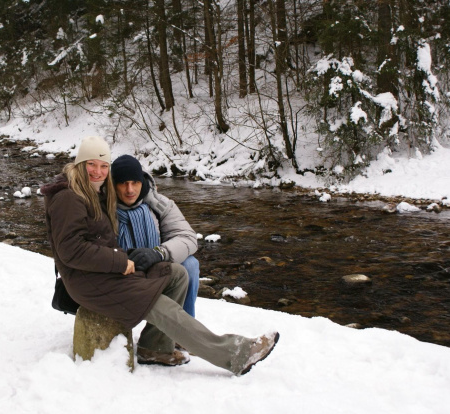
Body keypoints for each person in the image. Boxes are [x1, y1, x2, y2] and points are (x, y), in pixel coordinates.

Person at [40, 135, 279, 375]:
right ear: (80, 163)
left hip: (103, 272)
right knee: (160, 305)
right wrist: (120, 260)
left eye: (103, 166)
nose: (98, 171)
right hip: (90, 282)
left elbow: (98, 240)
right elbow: (71, 250)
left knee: (177, 273)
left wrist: (141, 255)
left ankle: (154, 348)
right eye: (91, 164)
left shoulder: (93, 192)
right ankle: (236, 354)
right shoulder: (68, 197)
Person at [111, 154, 200, 318]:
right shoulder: (103, 209)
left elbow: (187, 237)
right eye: (123, 183)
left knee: (190, 264)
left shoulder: (159, 205)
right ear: (113, 185)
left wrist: (158, 253)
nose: (130, 190)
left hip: (156, 270)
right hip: (120, 276)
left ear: (142, 182)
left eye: (135, 182)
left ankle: (184, 327)